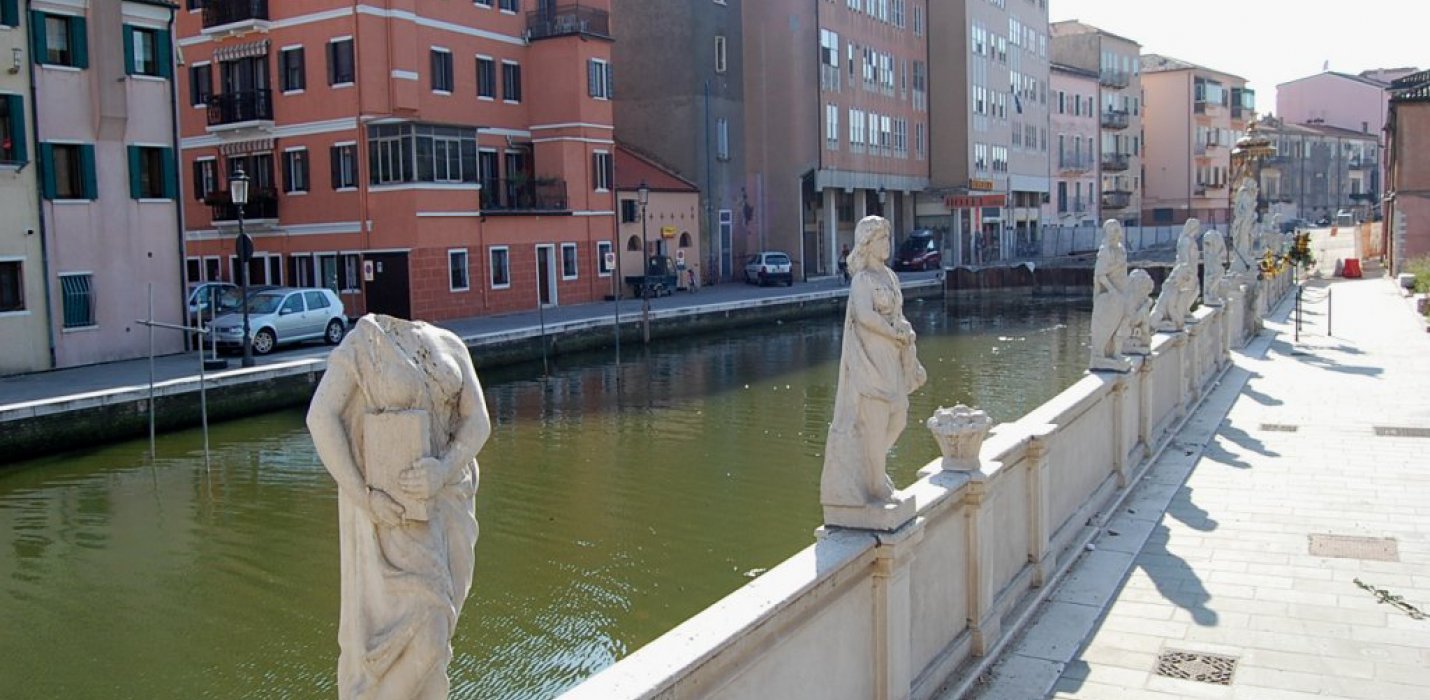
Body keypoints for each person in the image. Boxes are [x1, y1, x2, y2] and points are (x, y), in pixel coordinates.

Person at [307, 314, 491, 699]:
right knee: (429, 637)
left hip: (451, 502)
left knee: (439, 642)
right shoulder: (365, 341)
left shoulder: (450, 341)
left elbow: (479, 421)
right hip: (398, 517)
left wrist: (444, 468)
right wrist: (365, 498)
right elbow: (320, 417)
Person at [821, 216, 927, 508]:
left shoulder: (890, 277)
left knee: (900, 415)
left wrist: (906, 329)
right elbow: (865, 316)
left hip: (892, 356)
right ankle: (875, 481)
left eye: (887, 237)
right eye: (881, 239)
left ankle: (871, 469)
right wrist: (892, 332)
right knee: (877, 421)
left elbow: (898, 313)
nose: (887, 243)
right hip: (870, 360)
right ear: (866, 245)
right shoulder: (862, 280)